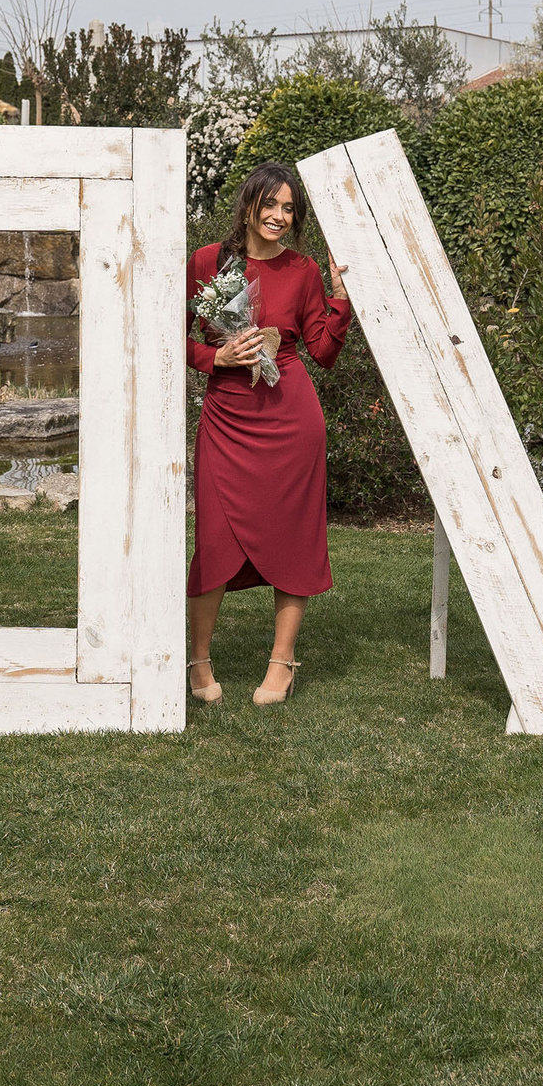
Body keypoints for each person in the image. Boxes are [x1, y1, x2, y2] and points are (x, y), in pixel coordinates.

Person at [184, 163, 352, 707]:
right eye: (271, 205)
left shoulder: (303, 271)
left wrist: (342, 299)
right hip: (228, 417)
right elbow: (171, 338)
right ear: (249, 204)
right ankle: (199, 660)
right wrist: (218, 356)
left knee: (294, 537)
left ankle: (282, 664)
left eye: (289, 209)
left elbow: (323, 353)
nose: (280, 217)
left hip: (290, 418)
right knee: (213, 538)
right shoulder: (209, 262)